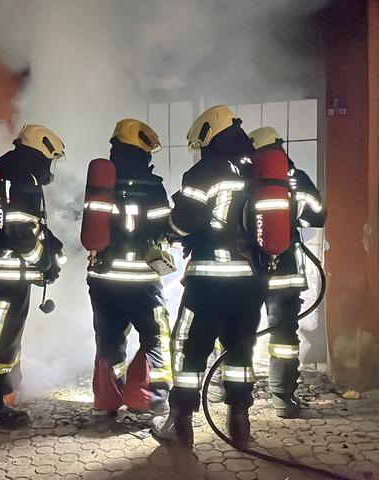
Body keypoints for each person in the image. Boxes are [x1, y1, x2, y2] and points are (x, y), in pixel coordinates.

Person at [152, 105, 267, 450]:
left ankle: (180, 421)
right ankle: (240, 422)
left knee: (188, 348)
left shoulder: (203, 172)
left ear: (207, 134)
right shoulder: (256, 169)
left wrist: (167, 229)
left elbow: (183, 222)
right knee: (240, 352)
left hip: (208, 280)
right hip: (250, 281)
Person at [0, 124, 66, 429]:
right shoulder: (24, 178)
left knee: (6, 333)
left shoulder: (4, 171)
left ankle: (7, 389)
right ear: (43, 151)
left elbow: (25, 223)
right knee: (2, 336)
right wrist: (45, 263)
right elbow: (22, 232)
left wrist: (52, 243)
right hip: (10, 273)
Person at [87, 119, 173, 416]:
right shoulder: (153, 186)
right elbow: (164, 227)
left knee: (108, 337)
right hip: (141, 279)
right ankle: (149, 398)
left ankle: (107, 400)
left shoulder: (100, 183)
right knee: (155, 334)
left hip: (102, 277)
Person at [250, 126, 326, 418]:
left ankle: (223, 388)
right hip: (287, 271)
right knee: (283, 336)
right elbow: (317, 216)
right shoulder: (298, 178)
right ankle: (281, 398)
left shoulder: (248, 180)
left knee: (236, 329)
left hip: (250, 271)